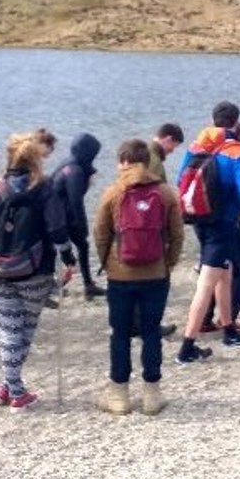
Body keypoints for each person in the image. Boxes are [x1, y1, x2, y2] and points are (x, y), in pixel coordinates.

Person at [0, 133, 78, 410]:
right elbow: (56, 229)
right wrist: (68, 257)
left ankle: (6, 386)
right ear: (36, 158)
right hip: (35, 271)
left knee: (11, 327)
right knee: (23, 329)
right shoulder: (44, 188)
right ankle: (16, 392)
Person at [93, 139, 184, 416]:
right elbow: (177, 235)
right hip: (156, 273)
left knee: (119, 333)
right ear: (146, 162)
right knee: (151, 331)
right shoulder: (167, 193)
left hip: (120, 275)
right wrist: (167, 263)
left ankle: (119, 395)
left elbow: (99, 234)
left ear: (123, 162)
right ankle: (152, 396)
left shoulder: (112, 192)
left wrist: (108, 263)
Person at [175, 101, 240, 364]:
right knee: (207, 281)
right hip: (224, 221)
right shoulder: (237, 151)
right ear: (235, 121)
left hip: (199, 217)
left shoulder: (197, 145)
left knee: (225, 273)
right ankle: (187, 346)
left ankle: (229, 330)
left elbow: (179, 180)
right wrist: (236, 210)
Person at [52, 133, 105, 301]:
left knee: (82, 246)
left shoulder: (68, 163)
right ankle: (59, 285)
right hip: (62, 216)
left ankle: (87, 284)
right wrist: (82, 226)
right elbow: (76, 202)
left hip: (57, 213)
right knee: (77, 246)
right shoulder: (75, 171)